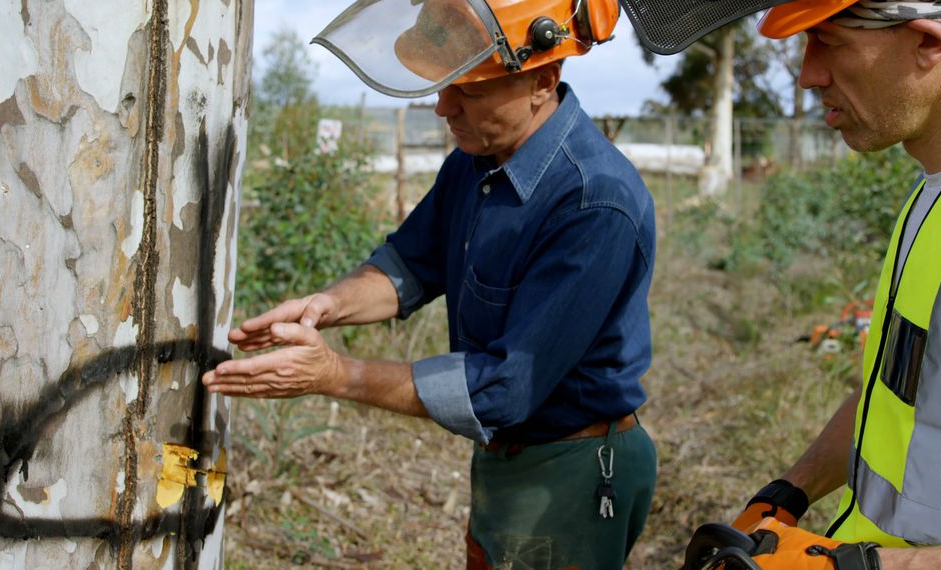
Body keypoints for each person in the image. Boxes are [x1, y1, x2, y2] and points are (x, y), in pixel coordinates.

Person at [203, 0, 658, 567]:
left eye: (467, 88)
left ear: (542, 80)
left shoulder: (594, 202)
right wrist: (326, 306)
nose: (443, 105)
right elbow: (412, 264)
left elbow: (504, 389)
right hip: (509, 456)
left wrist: (336, 374)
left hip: (572, 466)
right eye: (443, 84)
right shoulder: (480, 160)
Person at [704, 1, 941, 568]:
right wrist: (787, 495)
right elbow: (895, 393)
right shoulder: (939, 192)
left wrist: (861, 566)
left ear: (931, 42)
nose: (807, 74)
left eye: (830, 41)